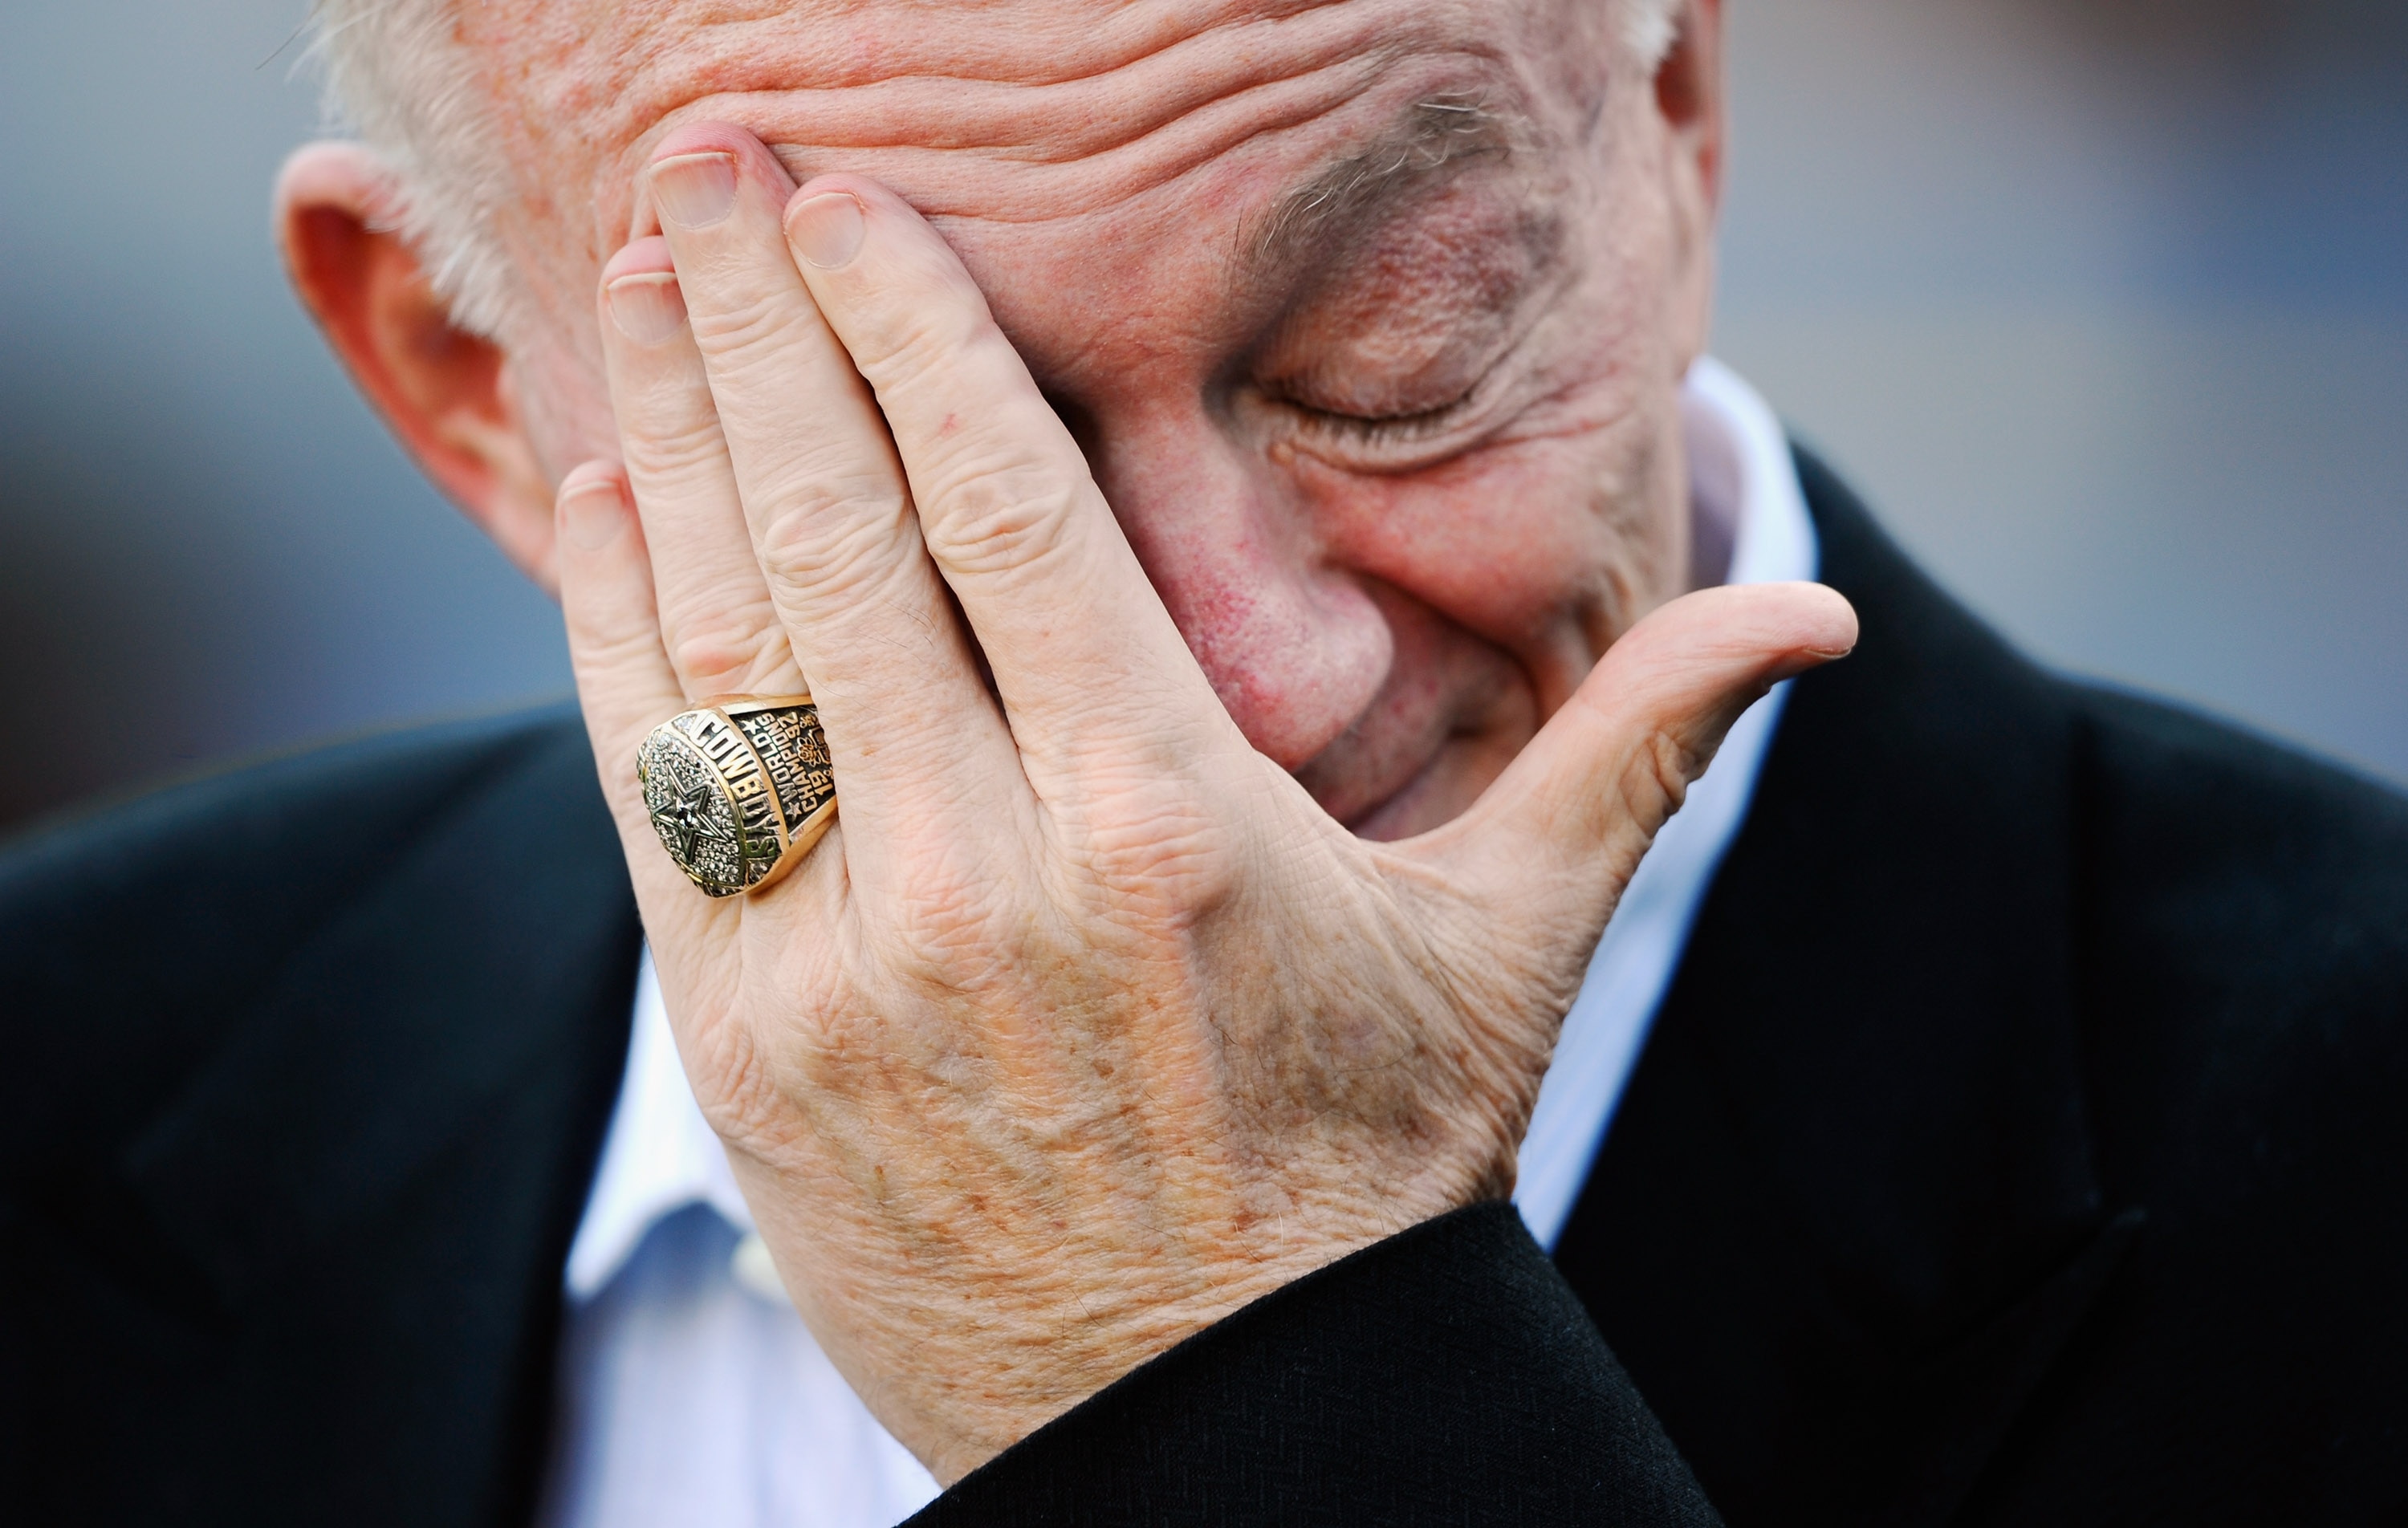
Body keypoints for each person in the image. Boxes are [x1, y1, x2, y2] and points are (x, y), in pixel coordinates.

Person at [2, 0, 2402, 1522]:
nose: (1245, 691)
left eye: (1405, 359)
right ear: (470, 383)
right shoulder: (67, 1079)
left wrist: (1232, 1374)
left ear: (1670, 119)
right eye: (930, 467)